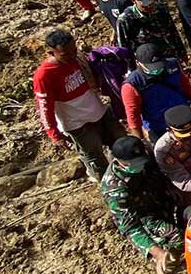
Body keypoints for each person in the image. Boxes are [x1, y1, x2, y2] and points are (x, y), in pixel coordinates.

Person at [102, 136, 190, 274]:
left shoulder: (145, 152)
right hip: (146, 217)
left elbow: (161, 172)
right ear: (119, 162)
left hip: (163, 200)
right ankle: (166, 273)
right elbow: (129, 226)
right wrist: (156, 252)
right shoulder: (115, 188)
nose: (141, 165)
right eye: (135, 164)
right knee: (177, 238)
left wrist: (174, 191)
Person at [34, 29, 126, 181]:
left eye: (74, 50)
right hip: (77, 124)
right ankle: (109, 187)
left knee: (121, 142)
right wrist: (54, 135)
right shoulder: (44, 75)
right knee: (96, 159)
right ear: (51, 52)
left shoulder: (78, 58)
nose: (72, 56)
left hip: (99, 111)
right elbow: (44, 107)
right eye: (65, 54)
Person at [122, 44, 191, 142]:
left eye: (158, 64)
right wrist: (139, 139)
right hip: (159, 126)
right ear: (138, 63)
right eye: (151, 67)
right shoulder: (132, 84)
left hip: (182, 117)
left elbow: (184, 83)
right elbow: (132, 114)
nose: (156, 69)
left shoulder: (173, 65)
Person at [116, 0, 188, 62]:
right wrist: (131, 67)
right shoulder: (125, 19)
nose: (149, 6)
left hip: (169, 56)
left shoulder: (160, 9)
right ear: (134, 1)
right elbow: (124, 46)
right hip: (147, 61)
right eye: (145, 4)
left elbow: (173, 31)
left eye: (151, 2)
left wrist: (182, 53)